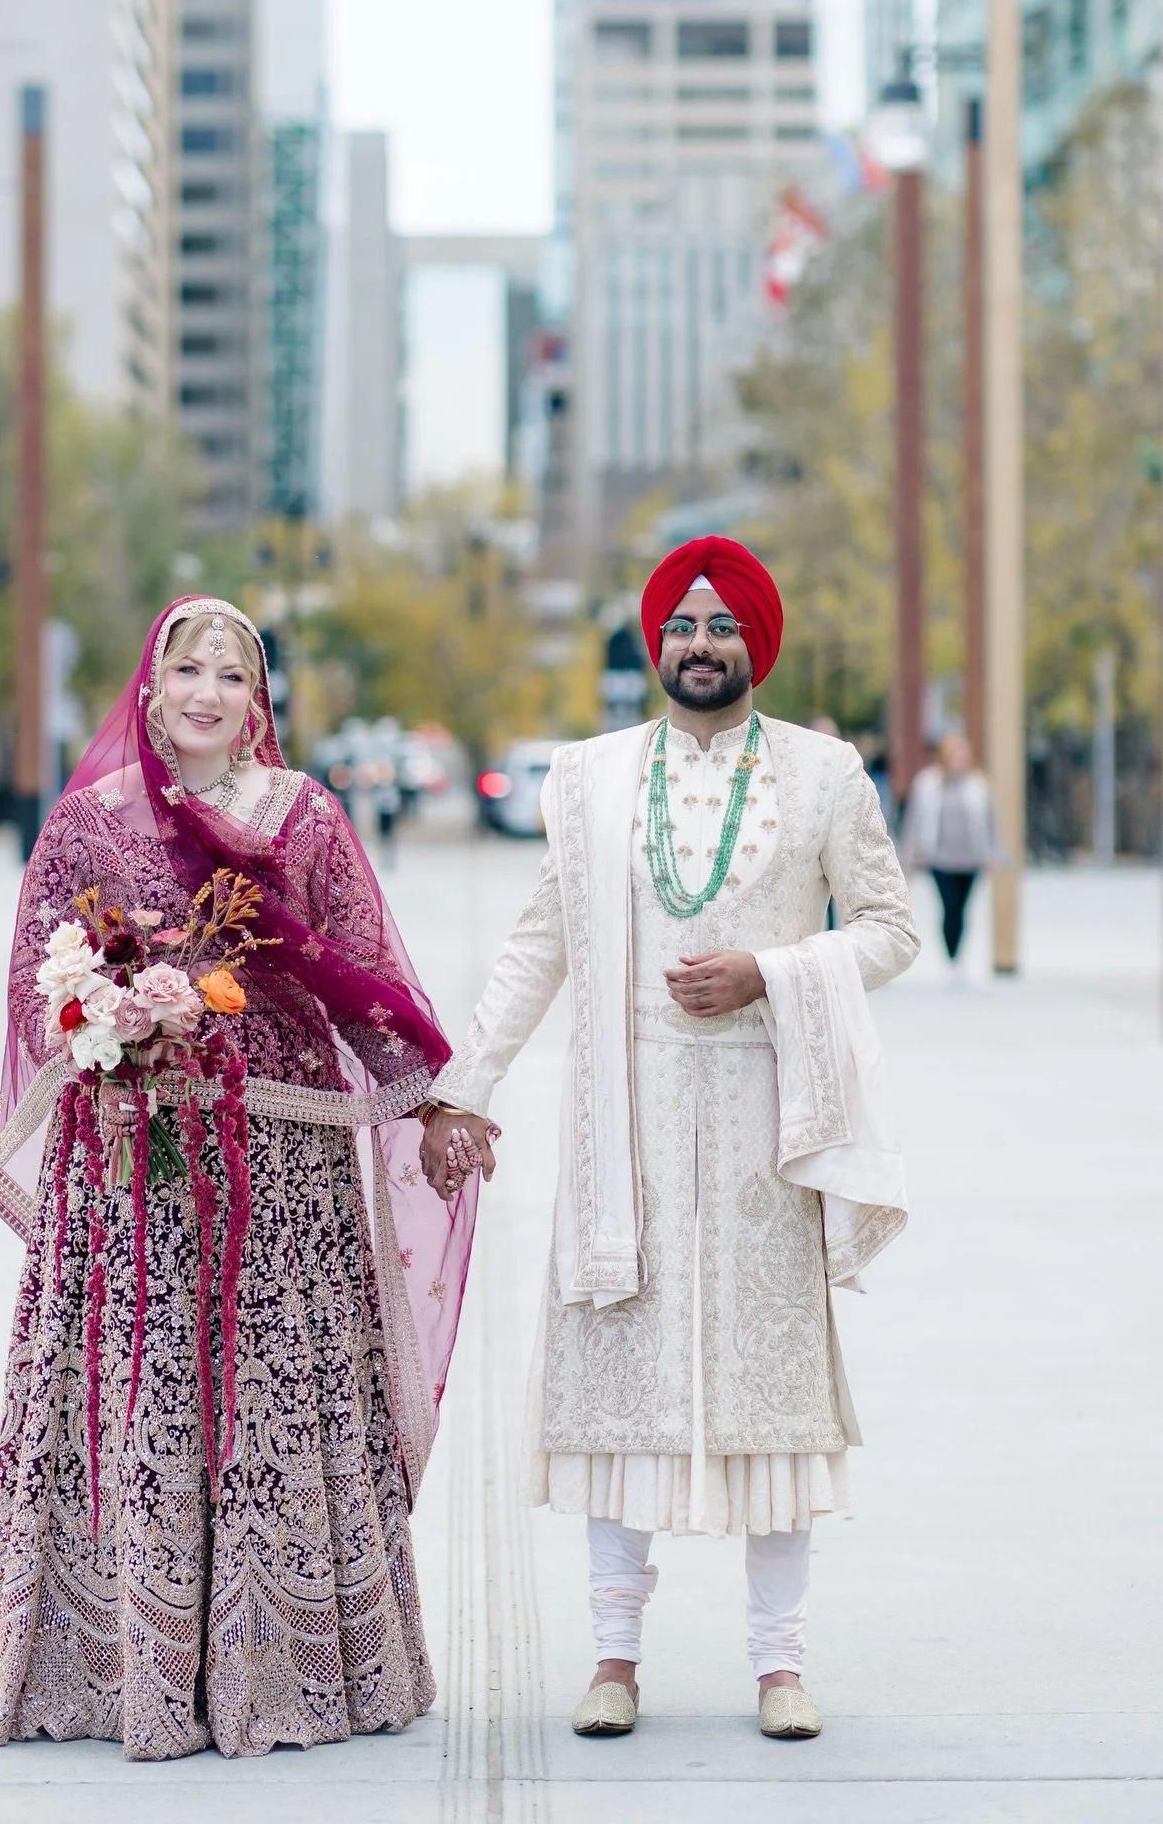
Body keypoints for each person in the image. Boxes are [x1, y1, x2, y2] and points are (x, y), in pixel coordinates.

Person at [421, 537, 919, 1742]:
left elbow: (893, 930)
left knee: (769, 1392)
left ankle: (780, 1664)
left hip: (767, 1128)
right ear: (656, 645)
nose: (702, 645)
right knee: (624, 1388)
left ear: (759, 640)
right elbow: (544, 942)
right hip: (626, 1127)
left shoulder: (824, 773)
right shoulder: (588, 777)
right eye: (682, 627)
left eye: (724, 627)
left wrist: (774, 970)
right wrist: (463, 1086)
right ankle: (613, 1658)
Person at [0, 597, 479, 1760]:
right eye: (185, 669)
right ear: (148, 689)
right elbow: (32, 981)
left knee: (270, 1393)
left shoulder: (307, 818)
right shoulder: (89, 822)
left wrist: (438, 1097)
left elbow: (363, 970)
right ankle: (112, 1670)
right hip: (132, 1172)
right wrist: (105, 1025)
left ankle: (286, 1669)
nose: (206, 692)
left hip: (282, 1169)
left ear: (259, 706)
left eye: (232, 676)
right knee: (140, 1390)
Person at [901, 734, 996, 979]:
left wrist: (993, 853)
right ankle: (952, 959)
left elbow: (991, 822)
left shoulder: (978, 785)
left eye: (962, 756)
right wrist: (911, 854)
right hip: (940, 858)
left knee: (962, 909)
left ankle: (958, 954)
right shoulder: (927, 784)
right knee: (949, 906)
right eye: (954, 756)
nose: (958, 761)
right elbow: (915, 820)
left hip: (970, 859)